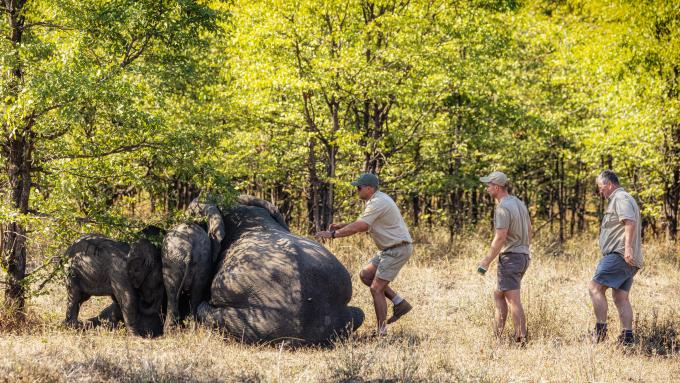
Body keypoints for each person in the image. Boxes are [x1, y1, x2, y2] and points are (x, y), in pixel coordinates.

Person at [316, 173, 414, 335]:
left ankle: (381, 332)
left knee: (376, 288)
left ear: (369, 188)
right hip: (389, 249)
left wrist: (333, 235)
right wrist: (341, 226)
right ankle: (399, 302)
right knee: (366, 275)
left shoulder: (378, 202)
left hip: (397, 249)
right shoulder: (377, 200)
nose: (357, 190)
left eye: (359, 187)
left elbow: (361, 226)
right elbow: (366, 224)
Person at [589, 170, 642, 345]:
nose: (600, 192)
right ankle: (627, 338)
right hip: (627, 258)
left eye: (600, 187)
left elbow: (630, 222)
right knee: (620, 297)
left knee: (595, 288)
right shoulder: (623, 198)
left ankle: (600, 333)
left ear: (609, 184)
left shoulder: (620, 198)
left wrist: (627, 249)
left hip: (619, 255)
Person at [477, 171, 531, 344]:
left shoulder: (502, 208)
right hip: (523, 256)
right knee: (499, 294)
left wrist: (486, 261)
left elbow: (500, 237)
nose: (487, 188)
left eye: (489, 185)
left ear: (497, 187)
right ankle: (497, 336)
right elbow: (530, 229)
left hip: (511, 258)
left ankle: (521, 339)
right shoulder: (519, 203)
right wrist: (523, 248)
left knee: (513, 299)